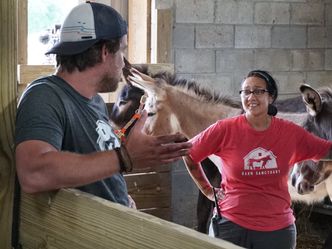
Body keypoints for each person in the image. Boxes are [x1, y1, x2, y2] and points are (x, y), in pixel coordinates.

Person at [15, 2, 191, 208]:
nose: (124, 63)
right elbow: (33, 174)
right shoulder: (45, 96)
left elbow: (97, 166)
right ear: (104, 52)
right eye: (122, 51)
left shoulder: (95, 101)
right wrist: (125, 157)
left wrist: (120, 197)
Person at [183, 70, 332, 249]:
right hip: (230, 227)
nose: (251, 96)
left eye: (259, 91)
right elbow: (189, 152)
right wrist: (207, 190)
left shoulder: (290, 132)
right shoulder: (224, 129)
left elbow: (327, 151)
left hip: (278, 232)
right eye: (246, 91)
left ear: (271, 97)